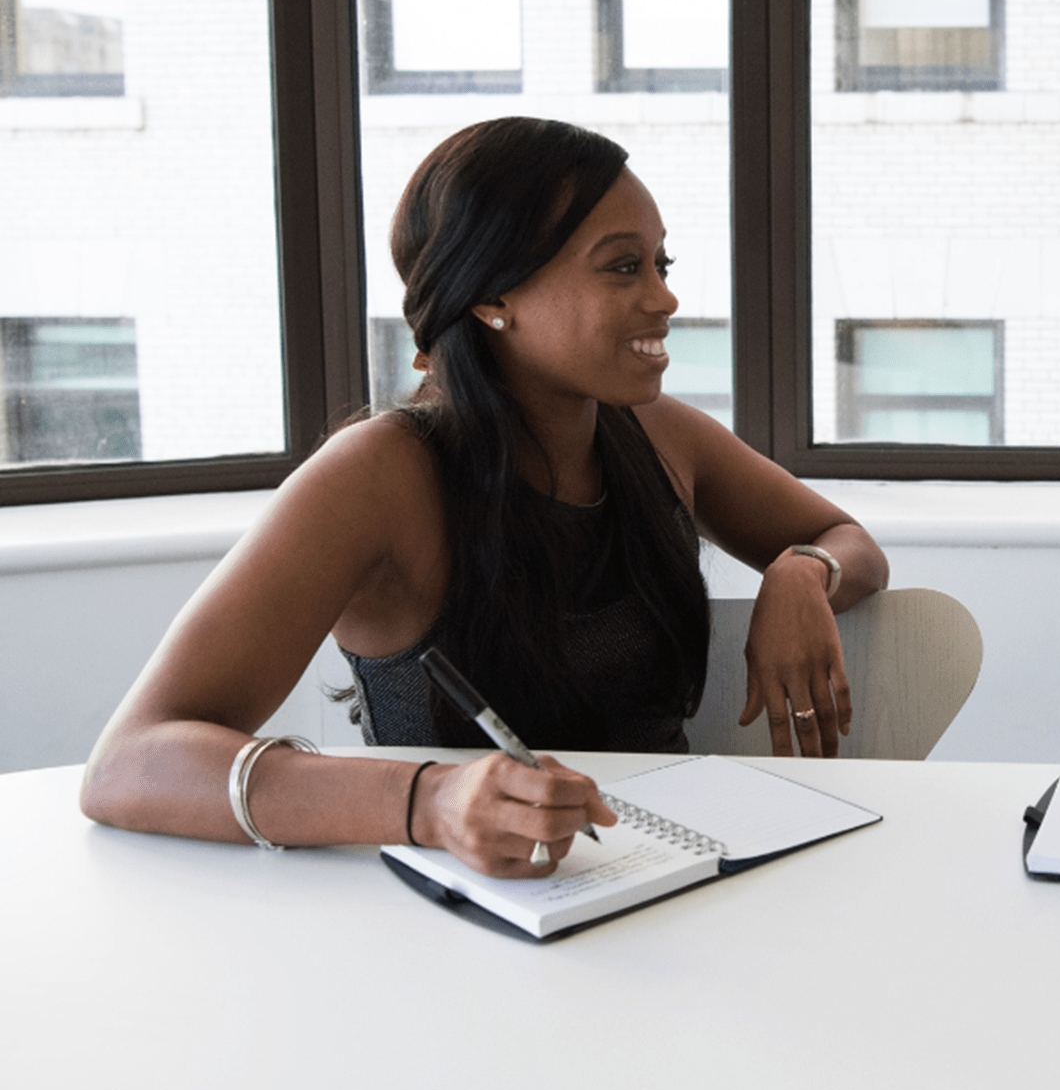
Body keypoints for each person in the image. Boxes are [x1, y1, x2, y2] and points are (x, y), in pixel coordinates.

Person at [82, 117, 888, 878]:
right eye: (621, 266)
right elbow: (128, 762)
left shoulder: (657, 431)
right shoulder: (377, 473)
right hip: (449, 917)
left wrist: (800, 570)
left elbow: (845, 538)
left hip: (654, 884)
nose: (665, 299)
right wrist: (433, 801)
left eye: (660, 265)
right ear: (494, 295)